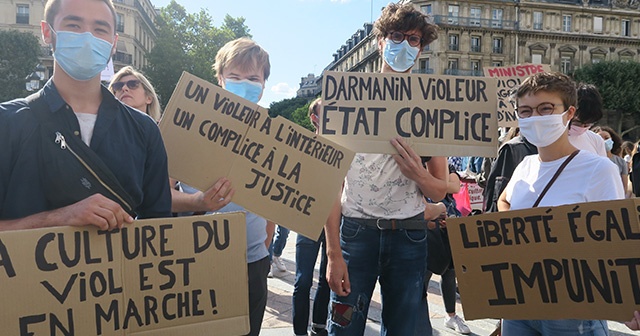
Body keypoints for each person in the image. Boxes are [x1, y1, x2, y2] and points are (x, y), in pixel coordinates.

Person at [324, 4, 447, 335]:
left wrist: (418, 175)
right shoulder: (346, 99)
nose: (404, 45)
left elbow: (439, 189)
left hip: (408, 235)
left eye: (414, 39)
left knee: (405, 329)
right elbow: (329, 186)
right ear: (380, 41)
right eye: (396, 36)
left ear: (421, 49)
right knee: (344, 328)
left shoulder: (431, 106)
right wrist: (333, 253)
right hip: (355, 233)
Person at [0, 0, 171, 230]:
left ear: (113, 43)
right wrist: (58, 218)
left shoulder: (145, 130)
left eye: (100, 29)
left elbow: (160, 229)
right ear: (47, 33)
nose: (87, 37)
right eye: (73, 25)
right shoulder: (6, 123)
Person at [497, 72, 624, 335]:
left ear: (568, 113)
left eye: (546, 108)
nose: (535, 117)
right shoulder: (525, 166)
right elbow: (504, 202)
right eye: (526, 111)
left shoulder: (598, 170)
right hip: (520, 305)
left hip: (573, 311)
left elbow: (617, 245)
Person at [172, 37, 273, 336]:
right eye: (235, 77)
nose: (244, 84)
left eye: (253, 78)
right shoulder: (184, 126)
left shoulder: (273, 137)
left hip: (251, 262)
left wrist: (263, 248)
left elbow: (279, 204)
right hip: (195, 259)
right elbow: (157, 195)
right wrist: (199, 202)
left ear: (264, 83)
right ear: (219, 79)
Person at [293, 98, 331, 336]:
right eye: (325, 113)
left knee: (327, 277)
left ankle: (319, 325)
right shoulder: (303, 146)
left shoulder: (345, 147)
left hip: (333, 222)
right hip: (307, 219)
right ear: (313, 118)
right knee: (303, 280)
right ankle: (299, 331)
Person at [567, 83, 606, 156]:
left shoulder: (596, 140)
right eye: (577, 123)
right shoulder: (550, 139)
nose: (582, 128)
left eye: (588, 124)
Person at [594, 126, 629, 197]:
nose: (603, 141)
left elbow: (624, 186)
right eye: (600, 138)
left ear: (612, 140)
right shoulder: (591, 161)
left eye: (606, 138)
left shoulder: (621, 162)